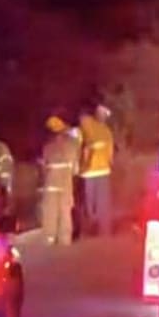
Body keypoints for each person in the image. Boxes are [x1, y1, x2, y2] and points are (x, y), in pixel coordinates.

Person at [40, 116, 80, 245]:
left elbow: (44, 167)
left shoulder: (48, 147)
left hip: (51, 183)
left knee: (50, 210)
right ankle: (65, 239)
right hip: (66, 183)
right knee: (65, 211)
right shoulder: (72, 145)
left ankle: (49, 238)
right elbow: (76, 169)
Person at [78, 104, 116, 236]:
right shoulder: (106, 130)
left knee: (88, 204)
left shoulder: (86, 125)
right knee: (102, 203)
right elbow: (110, 153)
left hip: (88, 171)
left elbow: (79, 143)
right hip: (103, 170)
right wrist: (109, 163)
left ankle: (87, 231)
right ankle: (104, 231)